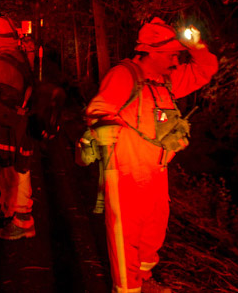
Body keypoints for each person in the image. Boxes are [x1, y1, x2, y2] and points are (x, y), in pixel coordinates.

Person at [86, 18, 218, 293]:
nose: (175, 60)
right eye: (171, 55)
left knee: (153, 235)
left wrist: (197, 46)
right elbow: (98, 109)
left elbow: (206, 69)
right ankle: (127, 289)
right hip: (127, 175)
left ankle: (144, 281)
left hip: (157, 175)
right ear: (152, 52)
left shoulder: (166, 81)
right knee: (126, 240)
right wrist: (105, 131)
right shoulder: (125, 75)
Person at [0, 15, 36, 240]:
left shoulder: (1, 64)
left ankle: (20, 219)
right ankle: (14, 214)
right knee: (20, 169)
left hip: (7, 128)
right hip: (21, 125)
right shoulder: (19, 56)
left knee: (8, 172)